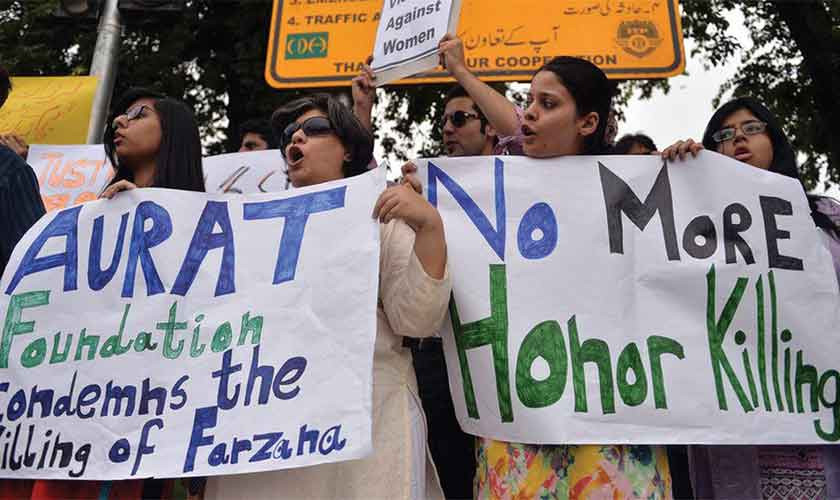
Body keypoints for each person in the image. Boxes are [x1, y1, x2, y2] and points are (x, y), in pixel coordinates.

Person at [430, 34, 674, 498]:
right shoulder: (500, 187)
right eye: (528, 102)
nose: (529, 114)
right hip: (522, 425)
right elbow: (512, 127)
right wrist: (459, 71)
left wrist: (690, 171)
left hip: (610, 421)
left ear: (588, 122)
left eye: (548, 103)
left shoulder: (633, 189)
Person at [205, 93, 451, 500]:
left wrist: (429, 227)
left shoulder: (380, 218)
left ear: (349, 150)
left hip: (363, 427)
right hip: (266, 429)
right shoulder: (247, 229)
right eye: (289, 132)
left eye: (314, 128)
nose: (296, 137)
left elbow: (418, 319)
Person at [20, 87, 205, 500]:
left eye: (139, 115)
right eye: (121, 115)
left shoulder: (205, 228)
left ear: (174, 133)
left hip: (150, 418)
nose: (120, 120)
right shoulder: (93, 219)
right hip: (76, 413)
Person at [662, 96, 840, 499]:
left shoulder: (823, 218)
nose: (738, 139)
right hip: (738, 432)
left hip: (813, 416)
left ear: (774, 139)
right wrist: (667, 177)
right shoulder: (696, 227)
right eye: (724, 135)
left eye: (751, 128)